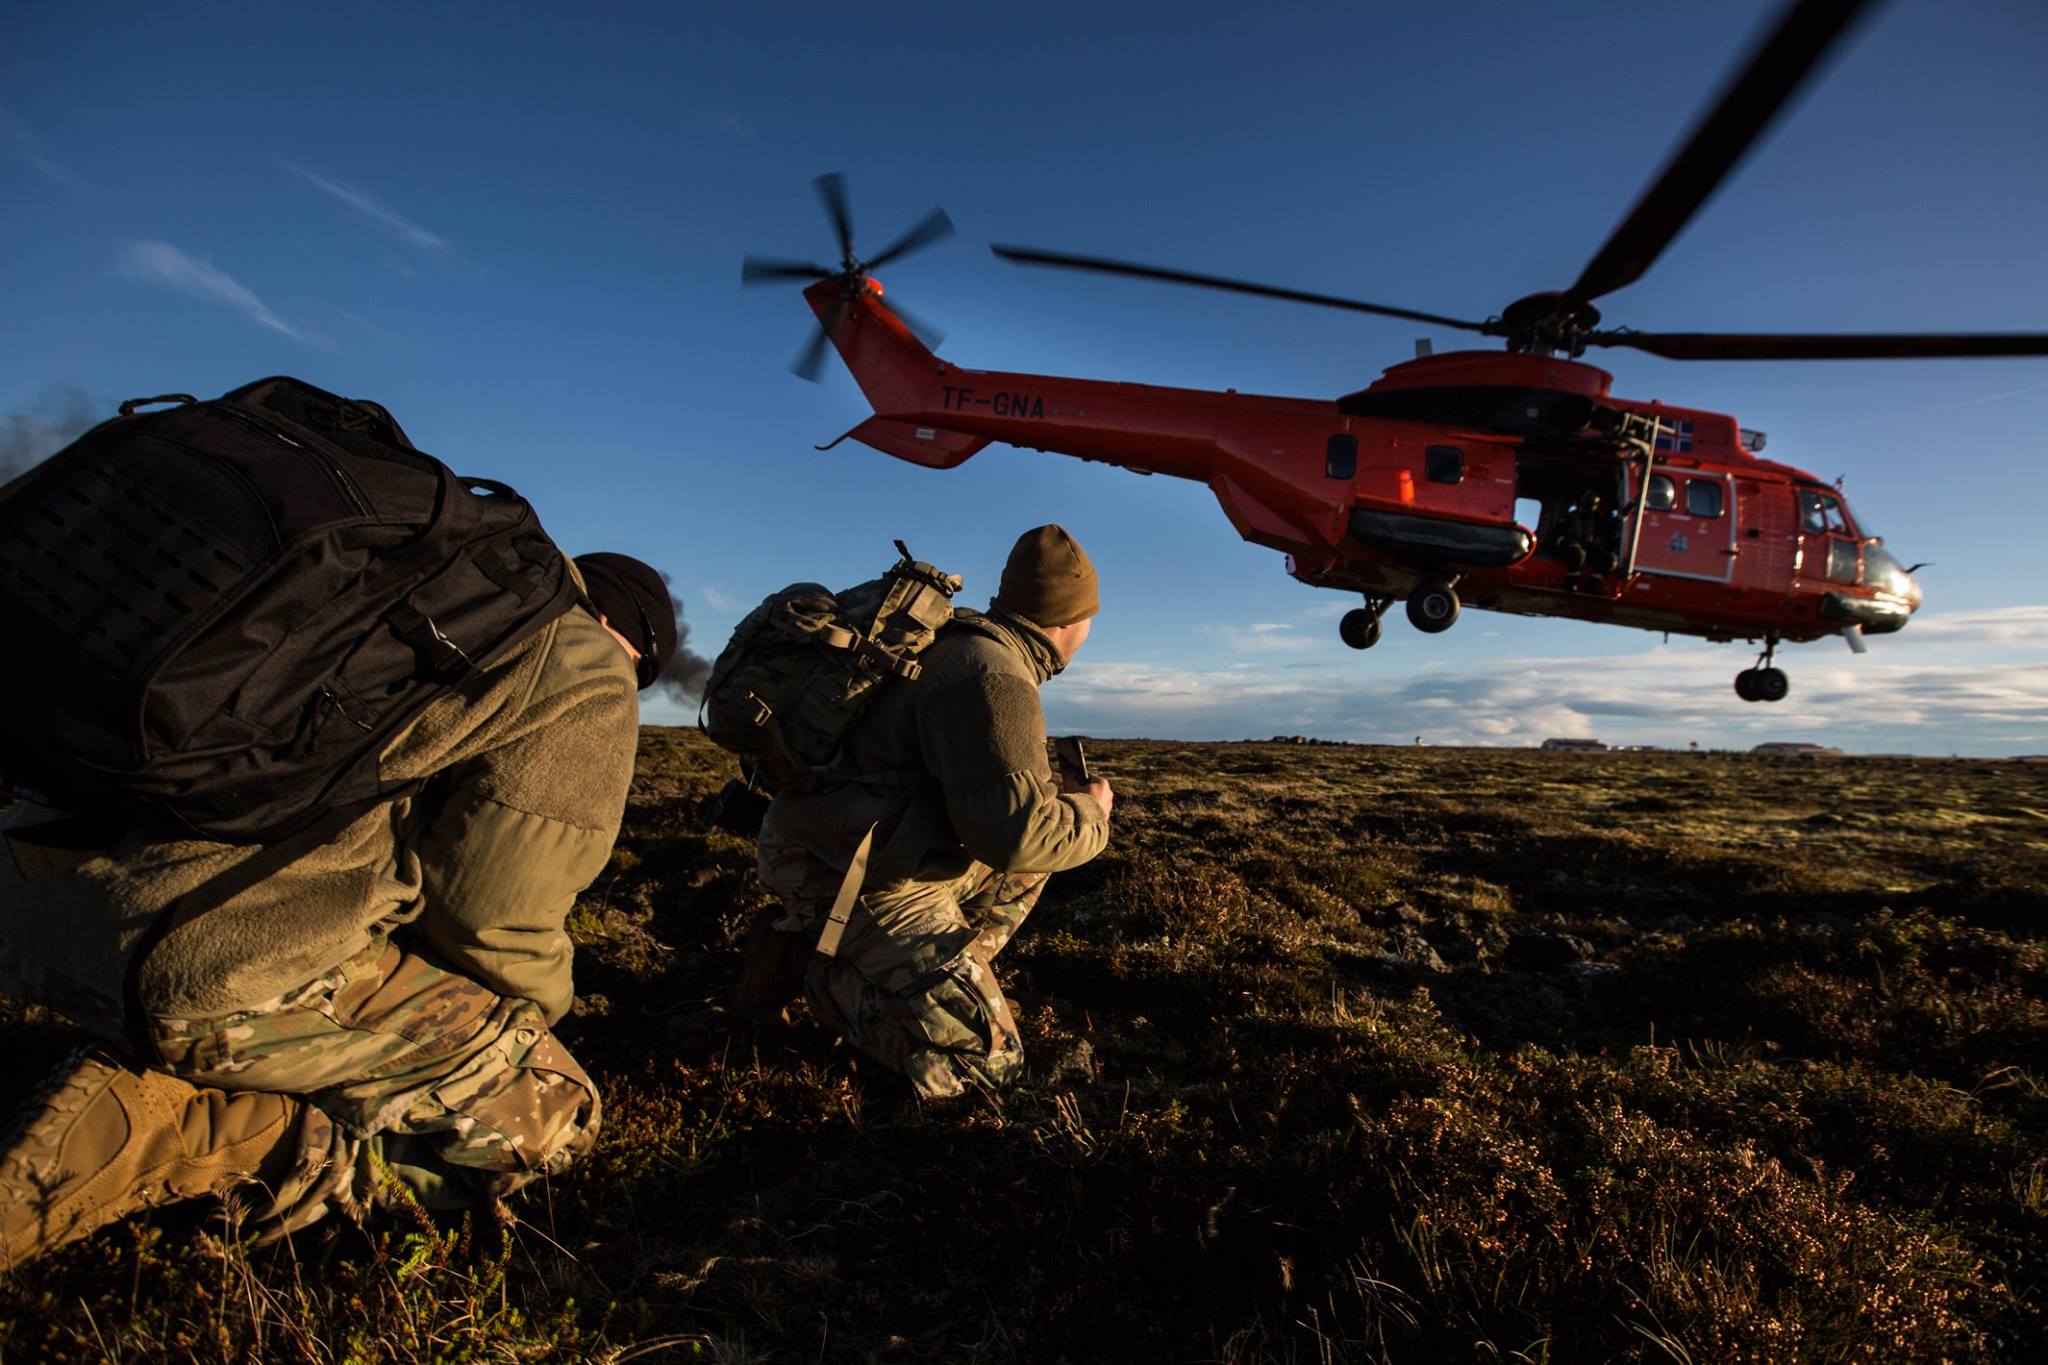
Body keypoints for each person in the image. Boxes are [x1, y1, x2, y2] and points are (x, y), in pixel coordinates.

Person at [0, 551, 673, 1267]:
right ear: (618, 629)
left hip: (33, 893)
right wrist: (532, 1021)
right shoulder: (579, 652)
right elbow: (490, 917)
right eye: (638, 670)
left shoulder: (403, 586)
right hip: (206, 952)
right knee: (554, 1112)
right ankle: (188, 1126)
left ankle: (204, 1062)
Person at [743, 525, 1113, 1101]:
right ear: (1070, 620)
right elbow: (1016, 836)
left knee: (1037, 855)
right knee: (985, 1071)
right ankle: (821, 973)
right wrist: (1092, 813)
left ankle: (939, 983)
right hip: (855, 877)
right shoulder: (991, 670)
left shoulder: (961, 646)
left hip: (866, 850)